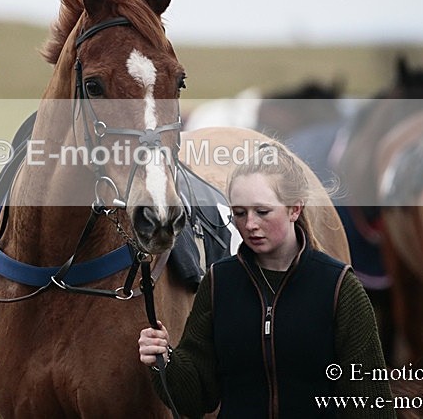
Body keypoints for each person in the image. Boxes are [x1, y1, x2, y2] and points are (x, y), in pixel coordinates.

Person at [139, 141, 394, 418]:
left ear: (294, 209)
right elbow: (197, 398)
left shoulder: (338, 286)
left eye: (262, 212)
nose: (249, 225)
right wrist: (163, 360)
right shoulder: (218, 283)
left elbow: (372, 403)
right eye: (239, 213)